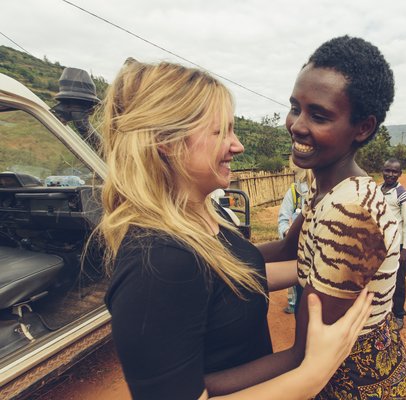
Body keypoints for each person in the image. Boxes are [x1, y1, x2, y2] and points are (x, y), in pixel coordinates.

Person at [98, 59, 373, 400]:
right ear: (166, 141)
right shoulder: (156, 262)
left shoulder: (203, 215)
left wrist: (332, 273)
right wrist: (311, 372)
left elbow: (233, 280)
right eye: (221, 131)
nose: (237, 145)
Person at [262, 35, 406, 399]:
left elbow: (302, 357)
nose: (297, 125)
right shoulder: (331, 190)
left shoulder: (351, 212)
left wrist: (194, 387)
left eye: (319, 115)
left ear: (362, 128)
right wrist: (203, 257)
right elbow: (287, 248)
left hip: (353, 387)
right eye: (295, 107)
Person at [378, 158, 406, 329]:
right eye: (388, 170)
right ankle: (381, 312)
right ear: (383, 171)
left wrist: (405, 251)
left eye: (394, 172)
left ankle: (399, 314)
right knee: (378, 278)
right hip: (378, 244)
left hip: (396, 246)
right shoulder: (378, 190)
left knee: (398, 281)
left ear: (400, 174)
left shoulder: (403, 195)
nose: (390, 174)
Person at [277, 162, 311, 314]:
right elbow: (283, 220)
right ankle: (292, 303)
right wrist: (288, 233)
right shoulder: (295, 191)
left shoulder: (332, 190)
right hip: (301, 254)